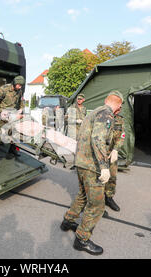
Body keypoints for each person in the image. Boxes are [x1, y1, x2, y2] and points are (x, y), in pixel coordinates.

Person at [60, 90, 123, 256]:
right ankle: (82, 239)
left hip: (81, 162)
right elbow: (98, 138)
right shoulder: (107, 114)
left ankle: (68, 221)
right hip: (91, 165)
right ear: (119, 105)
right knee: (97, 205)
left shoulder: (95, 111)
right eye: (120, 107)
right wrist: (103, 166)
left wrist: (114, 149)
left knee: (82, 195)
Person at [0, 75, 25, 159]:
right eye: (18, 85)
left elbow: (21, 101)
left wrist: (21, 109)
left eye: (21, 85)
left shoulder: (19, 91)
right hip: (3, 113)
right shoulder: (4, 89)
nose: (20, 87)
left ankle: (12, 150)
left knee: (15, 132)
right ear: (14, 83)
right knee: (1, 132)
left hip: (13, 114)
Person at [104, 111, 125, 212]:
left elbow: (122, 136)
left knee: (112, 176)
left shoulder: (120, 119)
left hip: (112, 153)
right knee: (99, 177)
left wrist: (116, 149)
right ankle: (96, 203)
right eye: (119, 104)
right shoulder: (101, 116)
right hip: (101, 152)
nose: (120, 107)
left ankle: (109, 198)